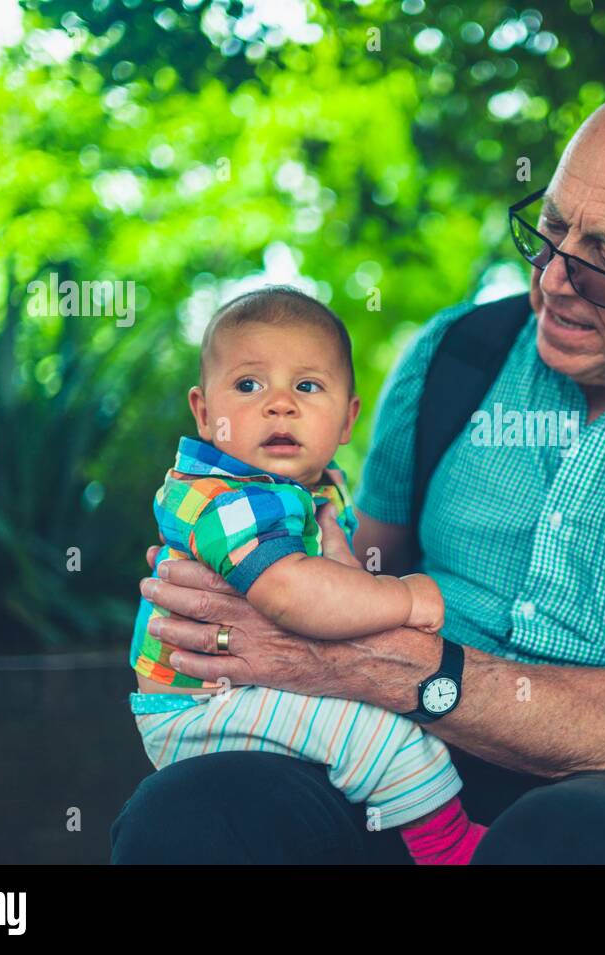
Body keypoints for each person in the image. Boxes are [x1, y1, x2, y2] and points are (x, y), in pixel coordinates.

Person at [112, 82, 605, 864]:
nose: (556, 281)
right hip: (400, 747)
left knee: (575, 841)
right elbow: (367, 565)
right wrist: (258, 576)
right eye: (551, 231)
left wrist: (399, 671)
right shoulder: (450, 356)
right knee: (191, 815)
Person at [127, 286, 485, 865]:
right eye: (248, 385)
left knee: (394, 724)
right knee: (382, 740)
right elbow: (294, 594)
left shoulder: (305, 489)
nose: (280, 404)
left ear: (347, 419)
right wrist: (404, 599)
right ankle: (450, 850)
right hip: (200, 706)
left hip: (249, 688)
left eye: (307, 386)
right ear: (202, 412)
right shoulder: (228, 501)